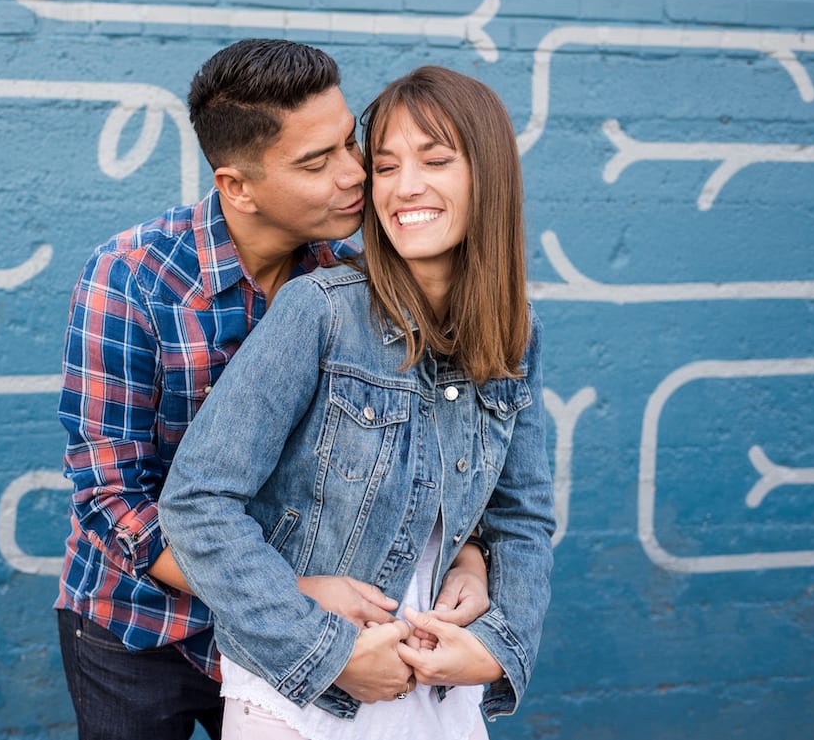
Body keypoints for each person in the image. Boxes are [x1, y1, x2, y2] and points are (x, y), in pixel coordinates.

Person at [55, 43, 494, 740]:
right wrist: (285, 591)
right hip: (143, 625)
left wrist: (470, 551)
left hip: (300, 634)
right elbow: (112, 499)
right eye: (316, 164)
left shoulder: (353, 281)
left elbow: (428, 450)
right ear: (238, 186)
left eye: (349, 142)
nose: (355, 173)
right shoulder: (132, 279)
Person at [158, 65, 556, 740]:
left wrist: (497, 646)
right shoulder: (320, 312)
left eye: (436, 161)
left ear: (488, 177)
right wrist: (328, 653)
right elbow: (197, 503)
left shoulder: (515, 332)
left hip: (439, 698)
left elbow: (522, 515)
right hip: (302, 703)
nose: (405, 186)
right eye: (387, 165)